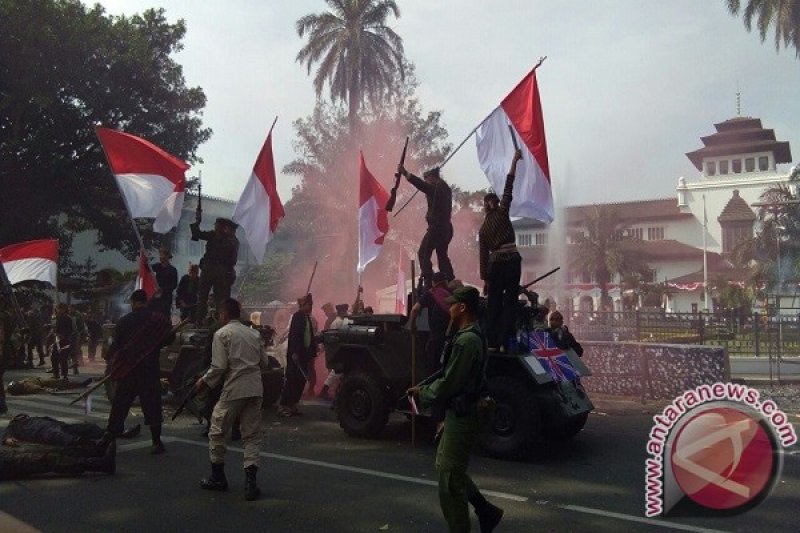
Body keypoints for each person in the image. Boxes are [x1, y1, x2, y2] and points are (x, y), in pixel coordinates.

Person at [407, 287, 503, 533]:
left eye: (452, 304)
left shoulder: (467, 340)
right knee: (449, 468)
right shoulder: (469, 335)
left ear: (462, 308)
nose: (447, 308)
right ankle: (485, 510)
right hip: (462, 411)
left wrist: (424, 394)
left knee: (449, 478)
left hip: (464, 413)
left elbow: (451, 382)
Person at [196, 298, 269, 500]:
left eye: (220, 314)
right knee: (252, 436)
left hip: (234, 388)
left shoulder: (222, 334)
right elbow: (264, 362)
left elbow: (218, 367)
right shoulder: (254, 333)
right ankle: (250, 485)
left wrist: (203, 381)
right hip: (255, 388)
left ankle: (218, 478)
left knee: (217, 431)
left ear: (224, 315)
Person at [105, 290, 175, 455]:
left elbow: (117, 345)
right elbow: (169, 338)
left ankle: (109, 441)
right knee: (152, 405)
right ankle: (156, 442)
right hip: (149, 369)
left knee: (120, 404)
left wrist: (110, 361)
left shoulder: (124, 321)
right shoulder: (158, 319)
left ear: (134, 302)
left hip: (128, 369)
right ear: (145, 302)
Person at [479, 149, 523, 352]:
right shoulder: (502, 211)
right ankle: (507, 341)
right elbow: (509, 184)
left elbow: (483, 256)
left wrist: (485, 279)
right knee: (510, 302)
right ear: (494, 204)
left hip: (495, 265)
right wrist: (514, 160)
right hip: (512, 260)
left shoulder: (483, 228)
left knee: (494, 304)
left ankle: (492, 342)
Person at [1, 415, 116, 480]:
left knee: (44, 451)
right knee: (43, 459)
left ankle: (93, 451)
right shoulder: (16, 426)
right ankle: (99, 464)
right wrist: (7, 437)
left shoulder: (18, 425)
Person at [397, 164, 455, 287]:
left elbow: (423, 186)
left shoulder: (436, 188)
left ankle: (428, 281)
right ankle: (449, 279)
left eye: (427, 179)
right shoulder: (445, 188)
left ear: (431, 178)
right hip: (446, 228)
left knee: (423, 253)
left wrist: (406, 173)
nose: (426, 182)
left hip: (437, 227)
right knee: (442, 255)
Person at [191, 217, 240, 324]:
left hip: (209, 269)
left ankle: (200, 321)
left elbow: (197, 234)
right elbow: (232, 260)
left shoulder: (213, 235)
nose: (215, 227)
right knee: (219, 299)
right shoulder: (230, 240)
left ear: (220, 226)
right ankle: (219, 321)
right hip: (221, 271)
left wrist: (197, 221)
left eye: (216, 225)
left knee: (203, 296)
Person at [277, 294, 315, 417]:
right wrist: (294, 352)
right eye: (309, 305)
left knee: (301, 380)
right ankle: (284, 405)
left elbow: (309, 335)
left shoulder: (307, 317)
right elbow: (295, 336)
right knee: (292, 379)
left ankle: (292, 404)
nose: (310, 307)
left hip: (304, 354)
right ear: (303, 306)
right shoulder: (297, 317)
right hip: (296, 354)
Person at [318, 303, 350, 400]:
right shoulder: (337, 322)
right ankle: (330, 392)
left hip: (338, 349)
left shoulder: (341, 321)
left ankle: (333, 392)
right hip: (337, 350)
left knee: (337, 372)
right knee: (336, 372)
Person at [151, 247, 179, 318]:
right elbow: (147, 268)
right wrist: (144, 260)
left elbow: (174, 284)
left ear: (167, 257)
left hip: (166, 298)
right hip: (156, 297)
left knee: (165, 316)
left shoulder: (172, 270)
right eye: (160, 255)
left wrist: (164, 289)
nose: (160, 257)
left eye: (162, 255)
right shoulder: (157, 266)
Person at [50, 303, 73, 380]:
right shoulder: (55, 318)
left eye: (61, 308)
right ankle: (56, 374)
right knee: (54, 358)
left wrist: (63, 335)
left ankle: (64, 375)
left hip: (65, 341)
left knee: (63, 359)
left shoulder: (68, 318)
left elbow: (70, 330)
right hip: (57, 341)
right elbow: (53, 328)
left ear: (64, 309)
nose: (59, 310)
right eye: (58, 308)